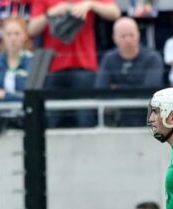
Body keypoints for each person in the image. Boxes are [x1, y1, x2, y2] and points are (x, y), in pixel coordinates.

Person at [28, 0, 121, 128]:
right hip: (53, 68)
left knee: (85, 120)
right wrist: (51, 13)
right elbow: (31, 29)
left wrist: (91, 5)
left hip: (84, 67)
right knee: (52, 122)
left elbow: (115, 12)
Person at [95, 17, 163, 127]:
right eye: (123, 36)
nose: (128, 40)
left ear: (138, 35)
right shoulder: (108, 59)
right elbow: (101, 90)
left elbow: (149, 91)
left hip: (146, 119)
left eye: (131, 35)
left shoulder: (153, 58)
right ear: (114, 38)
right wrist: (135, 87)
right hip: (115, 118)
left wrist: (117, 88)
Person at [0, 17, 32, 105]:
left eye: (17, 34)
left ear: (25, 36)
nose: (13, 38)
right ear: (3, 36)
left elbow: (31, 96)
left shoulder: (33, 62)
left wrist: (7, 96)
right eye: (9, 34)